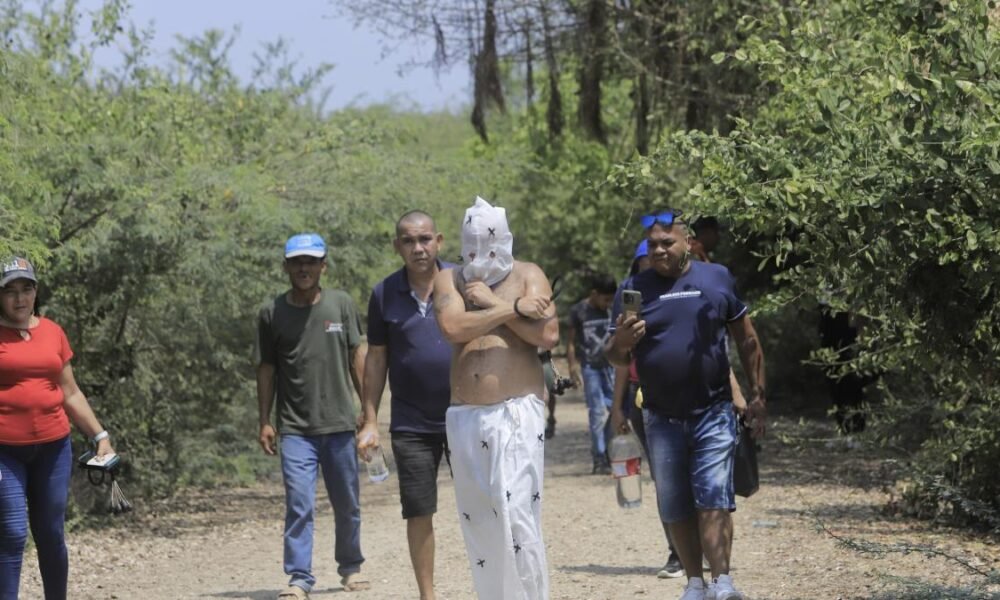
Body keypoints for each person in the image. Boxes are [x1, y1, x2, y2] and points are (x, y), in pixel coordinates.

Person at [606, 211, 767, 600]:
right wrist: (624, 341)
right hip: (659, 415)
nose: (659, 250)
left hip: (713, 410)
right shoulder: (634, 287)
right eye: (653, 244)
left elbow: (746, 340)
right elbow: (613, 357)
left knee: (713, 496)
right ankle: (694, 583)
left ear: (688, 242)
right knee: (675, 502)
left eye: (667, 242)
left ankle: (722, 582)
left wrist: (758, 394)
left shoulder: (716, 278)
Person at [433, 197, 559, 600]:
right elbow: (453, 327)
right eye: (471, 244)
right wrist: (514, 311)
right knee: (482, 521)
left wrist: (496, 303)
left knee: (518, 514)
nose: (480, 254)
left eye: (489, 243)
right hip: (465, 417)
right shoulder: (448, 279)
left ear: (506, 240)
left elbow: (547, 335)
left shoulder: (528, 275)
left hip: (515, 412)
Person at [255, 234, 369, 599]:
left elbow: (357, 358)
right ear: (286, 266)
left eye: (311, 261)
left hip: (338, 425)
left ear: (323, 266)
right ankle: (300, 578)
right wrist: (264, 420)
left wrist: (368, 415)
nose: (304, 268)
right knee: (299, 504)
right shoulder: (272, 313)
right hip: (295, 429)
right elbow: (267, 369)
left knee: (347, 503)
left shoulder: (341, 304)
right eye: (297, 262)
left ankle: (350, 568)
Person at [0, 256, 116, 600]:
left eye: (26, 289)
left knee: (51, 532)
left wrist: (101, 437)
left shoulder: (53, 332)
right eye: (10, 292)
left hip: (53, 448)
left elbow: (70, 391)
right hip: (5, 450)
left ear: (36, 293)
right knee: (12, 531)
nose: (19, 299)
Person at [356, 210, 454, 600]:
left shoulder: (462, 283)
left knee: (482, 505)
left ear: (439, 241)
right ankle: (427, 595)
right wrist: (369, 420)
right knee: (418, 509)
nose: (419, 248)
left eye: (425, 239)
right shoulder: (383, 294)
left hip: (466, 415)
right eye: (409, 241)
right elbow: (376, 358)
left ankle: (492, 585)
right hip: (411, 423)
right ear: (397, 246)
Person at [566, 273, 617, 474]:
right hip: (590, 368)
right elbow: (570, 342)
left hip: (611, 367)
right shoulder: (579, 311)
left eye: (611, 299)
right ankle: (599, 457)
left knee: (617, 410)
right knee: (596, 413)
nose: (608, 303)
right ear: (594, 294)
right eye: (605, 299)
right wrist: (572, 367)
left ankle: (603, 446)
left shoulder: (613, 310)